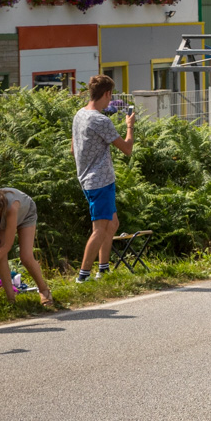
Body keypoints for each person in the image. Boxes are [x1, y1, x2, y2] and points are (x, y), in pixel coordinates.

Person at [72, 75, 134, 283]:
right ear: (106, 94)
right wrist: (129, 126)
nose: (110, 101)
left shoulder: (80, 115)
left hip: (87, 178)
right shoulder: (101, 120)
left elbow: (74, 148)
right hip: (101, 181)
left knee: (112, 223)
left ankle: (104, 269)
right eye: (111, 96)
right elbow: (127, 149)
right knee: (99, 230)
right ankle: (83, 275)